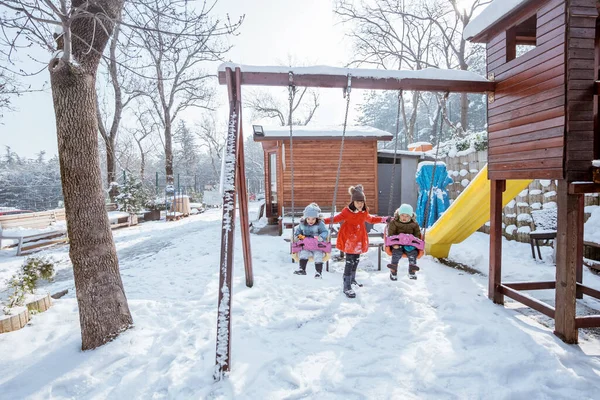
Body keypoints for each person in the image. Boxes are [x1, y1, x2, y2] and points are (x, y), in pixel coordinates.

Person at [323, 185, 389, 298]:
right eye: (358, 202)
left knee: (356, 260)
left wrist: (384, 219)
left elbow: (371, 219)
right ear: (353, 202)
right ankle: (346, 285)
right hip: (349, 239)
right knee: (349, 262)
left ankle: (352, 279)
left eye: (362, 202)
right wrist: (321, 221)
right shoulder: (346, 212)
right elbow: (336, 219)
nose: (360, 204)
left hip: (359, 238)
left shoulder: (363, 212)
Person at [293, 203, 329, 278]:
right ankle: (302, 269)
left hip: (317, 246)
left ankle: (318, 273)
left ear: (316, 218)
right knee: (303, 253)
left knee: (318, 255)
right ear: (305, 218)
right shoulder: (302, 224)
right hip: (306, 245)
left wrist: (321, 237)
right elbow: (297, 232)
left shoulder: (320, 224)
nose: (310, 221)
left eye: (313, 219)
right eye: (308, 219)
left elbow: (325, 232)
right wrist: (299, 237)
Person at [387, 204, 421, 280]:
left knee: (413, 253)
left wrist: (414, 243)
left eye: (407, 216)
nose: (404, 218)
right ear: (399, 215)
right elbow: (391, 234)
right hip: (397, 244)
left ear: (411, 216)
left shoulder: (414, 224)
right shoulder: (394, 223)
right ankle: (393, 270)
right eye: (402, 215)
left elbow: (417, 235)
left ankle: (412, 271)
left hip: (409, 245)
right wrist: (394, 244)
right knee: (396, 252)